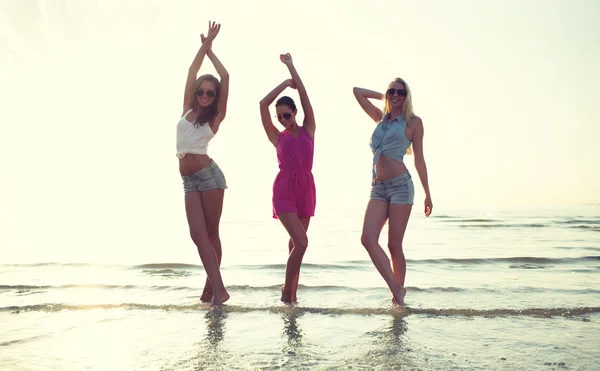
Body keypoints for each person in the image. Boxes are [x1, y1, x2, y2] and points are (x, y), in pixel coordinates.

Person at [353, 78, 433, 306]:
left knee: (394, 244)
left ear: (407, 96)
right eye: (392, 91)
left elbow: (419, 159)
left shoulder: (414, 123)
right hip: (378, 188)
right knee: (367, 239)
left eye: (400, 92)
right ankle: (397, 290)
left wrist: (427, 193)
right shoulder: (380, 119)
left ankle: (397, 298)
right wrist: (386, 98)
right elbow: (357, 91)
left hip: (401, 186)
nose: (395, 95)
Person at [176, 21, 230, 306]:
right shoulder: (187, 108)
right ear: (196, 93)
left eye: (211, 93)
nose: (206, 96)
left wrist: (212, 48)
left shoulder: (215, 117)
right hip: (188, 181)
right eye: (202, 91)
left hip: (210, 178)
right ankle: (215, 289)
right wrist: (203, 45)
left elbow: (225, 75)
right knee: (198, 236)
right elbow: (191, 71)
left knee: (210, 234)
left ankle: (215, 291)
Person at [259, 53, 316, 303]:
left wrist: (292, 68)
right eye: (279, 116)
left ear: (294, 112)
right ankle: (285, 291)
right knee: (302, 243)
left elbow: (304, 96)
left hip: (306, 188)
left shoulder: (308, 130)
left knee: (295, 245)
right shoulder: (277, 137)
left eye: (286, 115)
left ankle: (292, 297)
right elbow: (262, 104)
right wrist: (283, 82)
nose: (282, 120)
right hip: (284, 190)